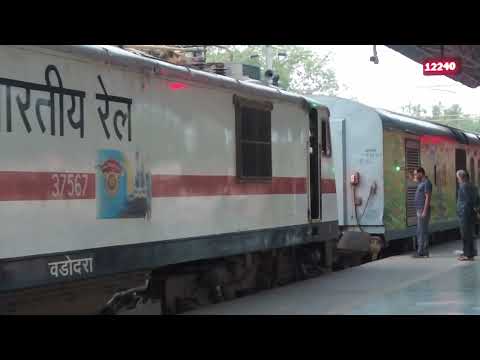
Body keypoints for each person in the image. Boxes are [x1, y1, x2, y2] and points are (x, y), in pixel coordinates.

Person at [456, 170, 480, 261]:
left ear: (462, 177)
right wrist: (476, 211)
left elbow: (467, 201)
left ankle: (467, 254)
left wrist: (461, 212)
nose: (458, 180)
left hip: (465, 214)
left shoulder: (463, 186)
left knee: (465, 235)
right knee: (471, 234)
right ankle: (471, 252)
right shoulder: (473, 186)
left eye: (458, 178)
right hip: (471, 214)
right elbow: (477, 200)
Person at [413, 167, 432, 258]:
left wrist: (424, 211)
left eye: (416, 174)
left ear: (421, 173)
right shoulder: (421, 183)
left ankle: (422, 251)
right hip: (419, 209)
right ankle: (423, 251)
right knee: (420, 230)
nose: (415, 176)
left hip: (423, 210)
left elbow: (428, 197)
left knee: (422, 231)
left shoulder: (427, 183)